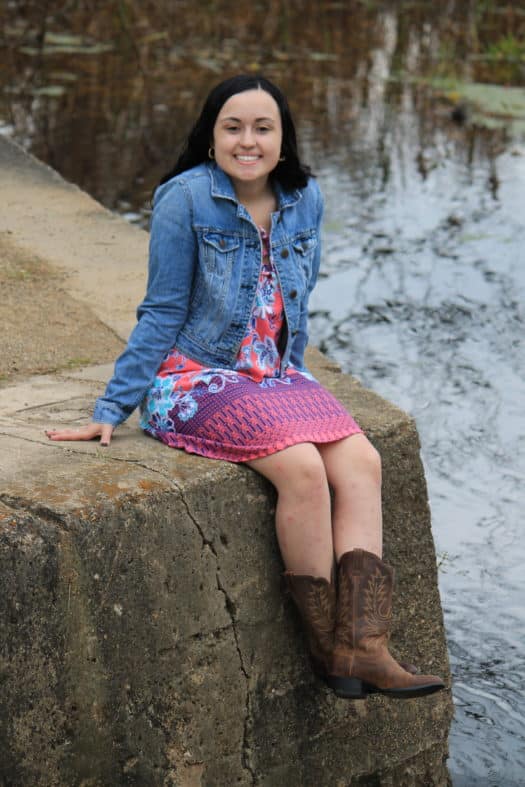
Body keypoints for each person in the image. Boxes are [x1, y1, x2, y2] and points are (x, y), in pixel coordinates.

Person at [46, 74, 444, 700]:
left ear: (284, 141)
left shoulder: (304, 196)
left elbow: (297, 300)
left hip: (277, 373)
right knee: (305, 472)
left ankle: (364, 648)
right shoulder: (185, 199)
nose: (248, 140)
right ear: (211, 135)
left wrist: (296, 373)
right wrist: (114, 405)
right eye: (233, 127)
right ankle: (326, 649)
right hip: (198, 376)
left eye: (264, 128)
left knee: (363, 461)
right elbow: (162, 309)